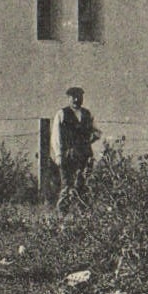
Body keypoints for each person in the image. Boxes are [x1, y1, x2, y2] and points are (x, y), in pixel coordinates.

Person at [53, 86, 100, 214]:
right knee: (67, 186)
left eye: (79, 97)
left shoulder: (87, 114)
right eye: (73, 97)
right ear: (68, 98)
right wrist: (58, 155)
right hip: (68, 156)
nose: (76, 99)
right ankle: (62, 215)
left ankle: (82, 216)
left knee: (82, 186)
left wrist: (90, 139)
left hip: (84, 155)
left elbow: (97, 132)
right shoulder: (61, 114)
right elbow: (56, 136)